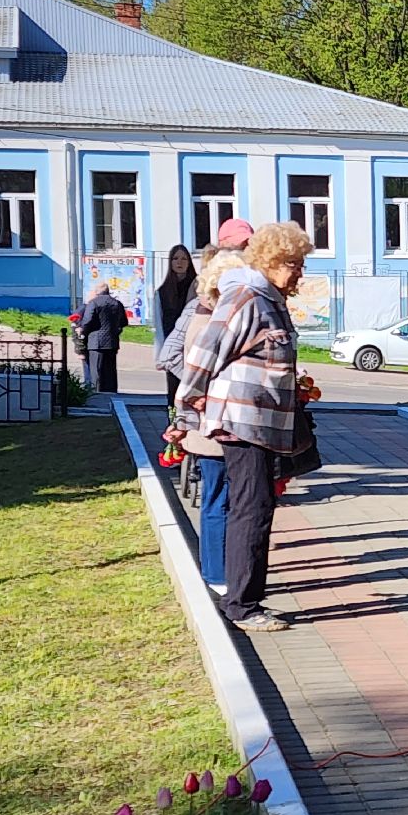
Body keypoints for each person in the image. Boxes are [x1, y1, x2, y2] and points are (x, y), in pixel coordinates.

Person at [178, 222, 312, 633]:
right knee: (251, 510)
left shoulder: (270, 299)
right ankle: (242, 605)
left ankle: (244, 598)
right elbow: (206, 351)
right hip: (243, 422)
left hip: (265, 423)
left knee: (258, 509)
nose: (299, 274)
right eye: (293, 264)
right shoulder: (246, 296)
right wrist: (186, 408)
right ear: (270, 262)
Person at [161, 247, 244, 596]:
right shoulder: (210, 321)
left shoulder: (201, 314)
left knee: (217, 496)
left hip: (206, 420)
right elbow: (172, 357)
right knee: (220, 498)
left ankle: (218, 571)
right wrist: (204, 389)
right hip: (217, 422)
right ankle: (217, 573)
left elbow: (174, 358)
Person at [153, 244, 197, 402]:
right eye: (176, 258)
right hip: (172, 346)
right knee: (174, 389)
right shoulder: (163, 290)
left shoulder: (198, 286)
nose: (180, 262)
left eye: (184, 258)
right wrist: (159, 354)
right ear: (170, 262)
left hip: (193, 344)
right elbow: (158, 323)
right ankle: (173, 421)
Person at [77, 281, 129, 393]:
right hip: (112, 342)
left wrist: (82, 331)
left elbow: (87, 321)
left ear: (97, 292)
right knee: (110, 370)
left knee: (96, 371)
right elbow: (124, 322)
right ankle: (111, 392)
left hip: (95, 342)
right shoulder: (117, 303)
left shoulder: (94, 303)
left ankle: (96, 393)